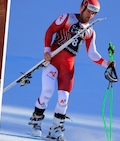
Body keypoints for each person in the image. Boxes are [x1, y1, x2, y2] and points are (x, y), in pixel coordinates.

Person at [28, 0, 113, 140]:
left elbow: (92, 54)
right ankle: (35, 123)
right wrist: (47, 50)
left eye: (94, 13)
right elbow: (50, 31)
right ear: (82, 7)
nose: (90, 15)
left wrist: (106, 63)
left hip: (68, 66)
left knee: (63, 99)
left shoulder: (90, 31)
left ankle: (55, 129)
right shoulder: (67, 17)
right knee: (47, 92)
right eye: (88, 11)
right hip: (53, 61)